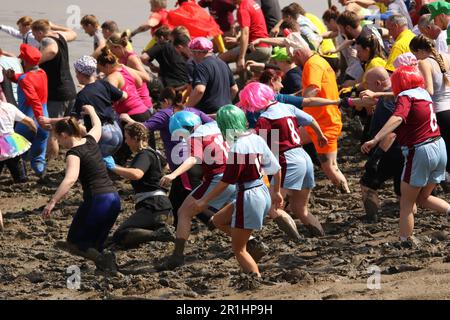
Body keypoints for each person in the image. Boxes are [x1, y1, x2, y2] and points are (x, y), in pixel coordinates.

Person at [361, 66, 450, 247]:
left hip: (420, 150)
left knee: (406, 202)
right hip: (439, 147)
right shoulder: (423, 93)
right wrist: (379, 95)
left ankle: (404, 241)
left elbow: (398, 117)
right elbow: (396, 97)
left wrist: (375, 139)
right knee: (423, 198)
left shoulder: (404, 97)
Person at [192, 105, 283, 277]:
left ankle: (256, 280)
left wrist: (204, 201)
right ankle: (250, 242)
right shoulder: (256, 138)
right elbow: (276, 169)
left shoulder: (237, 147)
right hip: (262, 190)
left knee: (238, 250)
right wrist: (276, 192)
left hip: (248, 195)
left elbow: (226, 181)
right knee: (217, 220)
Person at [239, 82, 327, 236]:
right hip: (303, 156)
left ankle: (296, 239)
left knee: (273, 206)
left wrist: (236, 136)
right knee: (300, 208)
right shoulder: (286, 107)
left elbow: (257, 140)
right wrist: (320, 135)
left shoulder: (265, 118)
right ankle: (320, 236)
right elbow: (310, 119)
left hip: (288, 160)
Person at [42, 105, 121, 272]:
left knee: (75, 242)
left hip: (98, 200)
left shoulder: (74, 154)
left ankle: (104, 261)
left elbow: (70, 179)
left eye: (57, 139)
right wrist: (92, 111)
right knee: (96, 243)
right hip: (114, 199)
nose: (59, 143)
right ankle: (106, 267)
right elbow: (98, 125)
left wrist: (52, 201)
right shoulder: (91, 140)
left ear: (63, 135)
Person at [119, 88, 214, 227]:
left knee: (193, 201)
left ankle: (215, 221)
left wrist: (127, 119)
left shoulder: (166, 113)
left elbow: (142, 129)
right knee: (176, 200)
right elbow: (213, 124)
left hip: (184, 166)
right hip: (199, 160)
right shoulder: (193, 112)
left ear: (166, 101)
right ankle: (174, 228)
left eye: (161, 103)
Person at [157, 111, 236, 269]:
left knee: (184, 212)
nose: (181, 139)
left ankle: (177, 257)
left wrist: (173, 175)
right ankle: (252, 241)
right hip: (237, 175)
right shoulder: (215, 126)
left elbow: (193, 158)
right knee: (222, 217)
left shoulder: (195, 137)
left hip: (219, 178)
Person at [286, 33, 351, 193]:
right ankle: (287, 189)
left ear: (298, 53)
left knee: (330, 167)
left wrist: (297, 102)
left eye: (293, 58)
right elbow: (313, 88)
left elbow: (312, 90)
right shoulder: (318, 60)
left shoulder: (311, 65)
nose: (294, 62)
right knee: (288, 142)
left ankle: (346, 193)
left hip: (325, 122)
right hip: (315, 121)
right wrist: (293, 97)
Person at [103, 123, 174, 248]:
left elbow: (137, 174)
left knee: (120, 235)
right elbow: (166, 166)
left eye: (127, 138)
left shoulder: (144, 154)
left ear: (136, 138)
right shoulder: (154, 152)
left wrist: (113, 167)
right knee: (116, 237)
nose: (126, 142)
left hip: (153, 206)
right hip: (163, 207)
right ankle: (160, 230)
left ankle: (160, 234)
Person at [356, 67, 404, 222]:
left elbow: (391, 132)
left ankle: (372, 218)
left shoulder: (385, 104)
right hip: (405, 150)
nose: (365, 88)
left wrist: (376, 157)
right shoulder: (397, 93)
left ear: (377, 84)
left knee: (367, 184)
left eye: (367, 85)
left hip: (391, 151)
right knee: (402, 192)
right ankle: (409, 219)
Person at [97, 47, 152, 164]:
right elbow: (139, 82)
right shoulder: (125, 69)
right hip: (143, 111)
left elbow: (109, 97)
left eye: (101, 69)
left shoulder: (112, 77)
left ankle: (115, 169)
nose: (101, 72)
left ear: (107, 66)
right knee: (149, 145)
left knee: (123, 147)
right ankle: (157, 165)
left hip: (130, 115)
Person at [31, 19, 78, 158]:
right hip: (70, 90)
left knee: (52, 132)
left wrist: (32, 63)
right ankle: (76, 155)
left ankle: (49, 162)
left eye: (35, 35)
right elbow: (73, 33)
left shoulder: (47, 40)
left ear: (40, 32)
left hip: (56, 94)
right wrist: (53, 26)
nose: (35, 38)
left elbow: (51, 51)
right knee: (68, 130)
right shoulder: (60, 36)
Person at [410, 35, 450, 186]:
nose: (415, 57)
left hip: (440, 111)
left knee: (445, 151)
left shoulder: (424, 62)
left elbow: (429, 90)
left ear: (420, 51)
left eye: (414, 54)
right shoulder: (446, 56)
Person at [6, 44, 49, 181]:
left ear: (27, 62)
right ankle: (41, 175)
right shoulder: (42, 73)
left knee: (15, 151)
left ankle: (21, 178)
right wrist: (13, 77)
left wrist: (38, 117)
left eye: (23, 60)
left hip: (28, 121)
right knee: (38, 155)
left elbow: (34, 99)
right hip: (44, 121)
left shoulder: (25, 79)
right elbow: (25, 78)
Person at [71, 55, 126, 157]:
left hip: (103, 134)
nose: (76, 76)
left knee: (97, 160)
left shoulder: (82, 95)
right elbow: (123, 96)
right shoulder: (103, 84)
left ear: (81, 74)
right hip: (116, 129)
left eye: (76, 72)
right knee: (107, 158)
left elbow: (74, 120)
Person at [186, 37, 238, 115]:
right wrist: (224, 107)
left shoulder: (201, 66)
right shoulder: (223, 63)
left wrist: (186, 109)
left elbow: (199, 90)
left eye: (192, 53)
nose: (191, 56)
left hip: (209, 115)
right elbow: (234, 89)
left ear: (197, 52)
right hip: (226, 114)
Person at [218, 0, 272, 72]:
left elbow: (245, 33)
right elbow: (254, 28)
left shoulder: (242, 9)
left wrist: (241, 57)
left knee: (219, 59)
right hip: (267, 46)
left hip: (257, 48)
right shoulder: (252, 2)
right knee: (257, 76)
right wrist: (237, 40)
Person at [107, 32, 153, 111]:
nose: (111, 52)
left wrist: (125, 68)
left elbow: (147, 78)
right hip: (133, 101)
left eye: (112, 49)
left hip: (142, 103)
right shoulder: (121, 57)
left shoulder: (131, 58)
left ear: (118, 47)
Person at [0, 100, 37, 183]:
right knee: (16, 164)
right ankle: (21, 180)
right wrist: (35, 132)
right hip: (10, 143)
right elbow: (29, 121)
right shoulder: (9, 107)